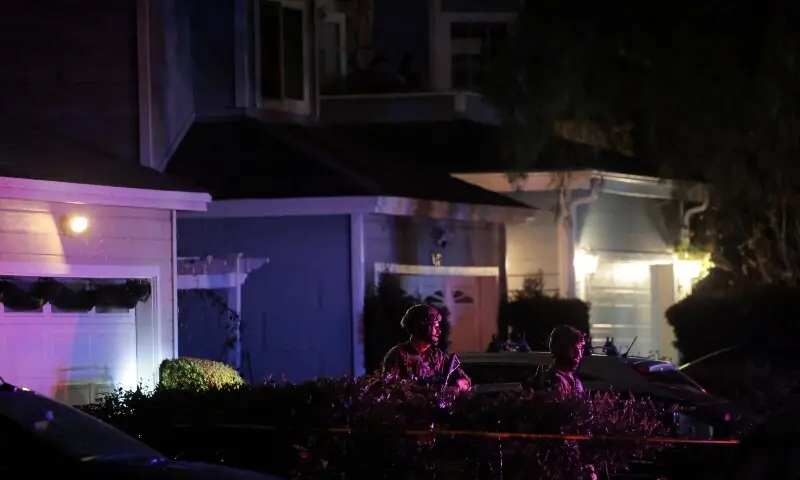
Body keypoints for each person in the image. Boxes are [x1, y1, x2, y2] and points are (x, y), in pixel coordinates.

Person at [381, 304, 471, 393]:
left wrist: (456, 387)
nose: (439, 331)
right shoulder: (398, 355)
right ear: (420, 325)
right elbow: (389, 388)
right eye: (435, 326)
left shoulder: (438, 356)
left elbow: (465, 381)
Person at [543, 325, 587, 396]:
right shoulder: (554, 382)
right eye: (574, 348)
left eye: (580, 348)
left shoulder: (574, 380)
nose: (579, 354)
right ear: (560, 348)